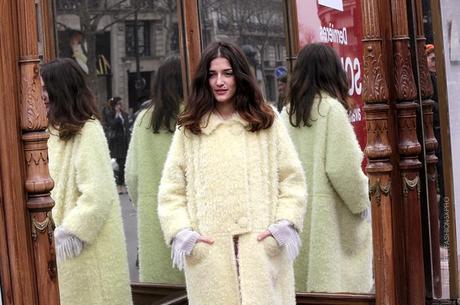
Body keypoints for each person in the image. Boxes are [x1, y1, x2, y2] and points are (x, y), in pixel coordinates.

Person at [157, 41, 307, 305]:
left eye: (227, 73)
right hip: (212, 258)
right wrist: (186, 236)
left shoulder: (266, 120)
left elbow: (292, 178)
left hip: (260, 255)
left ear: (240, 76)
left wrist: (280, 228)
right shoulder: (191, 128)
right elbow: (171, 191)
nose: (220, 82)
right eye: (212, 75)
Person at [40, 58, 133, 305]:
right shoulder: (48, 134)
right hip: (63, 259)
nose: (42, 95)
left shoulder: (88, 130)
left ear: (62, 89)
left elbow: (98, 195)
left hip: (89, 257)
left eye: (45, 88)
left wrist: (68, 234)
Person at [283, 43, 373, 293]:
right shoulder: (331, 110)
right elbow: (343, 169)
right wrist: (363, 203)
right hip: (330, 219)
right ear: (332, 71)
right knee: (333, 287)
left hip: (298, 217)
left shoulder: (287, 113)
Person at [125, 55, 185, 283]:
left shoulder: (143, 120)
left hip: (154, 218)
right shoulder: (198, 115)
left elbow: (131, 174)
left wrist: (144, 204)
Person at [104, 97, 130, 194]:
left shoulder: (124, 114)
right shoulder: (111, 115)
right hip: (115, 142)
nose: (120, 106)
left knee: (123, 164)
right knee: (117, 164)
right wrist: (117, 116)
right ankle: (118, 185)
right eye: (118, 104)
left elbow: (127, 126)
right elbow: (112, 125)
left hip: (124, 142)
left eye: (120, 104)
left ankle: (122, 184)